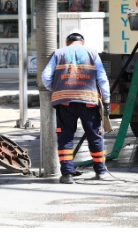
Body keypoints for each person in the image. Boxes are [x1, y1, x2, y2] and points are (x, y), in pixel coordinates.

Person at [41, 30, 111, 184]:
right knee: (94, 136)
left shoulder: (59, 53)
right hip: (89, 102)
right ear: (82, 43)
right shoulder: (92, 53)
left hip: (65, 102)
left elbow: (45, 76)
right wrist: (106, 101)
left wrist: (55, 88)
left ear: (67, 43)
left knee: (65, 137)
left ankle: (67, 175)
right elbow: (102, 78)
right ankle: (100, 172)